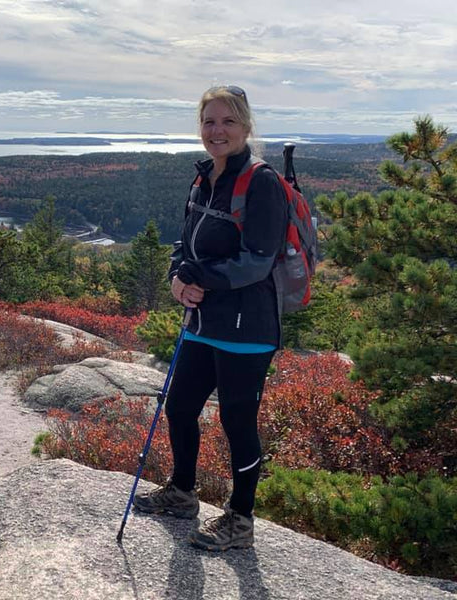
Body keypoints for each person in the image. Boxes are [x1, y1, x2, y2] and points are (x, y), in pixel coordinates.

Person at [133, 85, 286, 551]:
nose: (216, 131)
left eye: (227, 122)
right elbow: (186, 245)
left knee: (237, 422)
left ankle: (240, 520)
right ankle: (182, 493)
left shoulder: (262, 183)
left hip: (246, 328)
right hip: (202, 321)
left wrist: (202, 278)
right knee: (179, 407)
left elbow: (258, 260)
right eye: (209, 122)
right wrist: (178, 276)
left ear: (245, 127)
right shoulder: (204, 179)